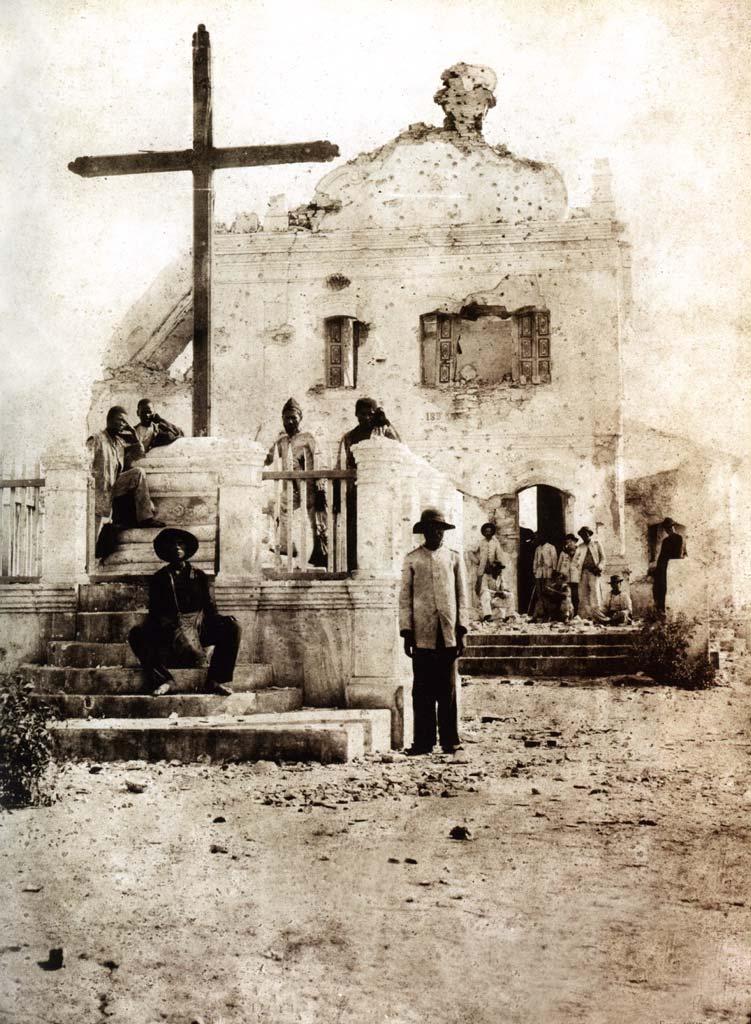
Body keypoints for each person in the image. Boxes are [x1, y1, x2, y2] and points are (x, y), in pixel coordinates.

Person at [128, 528, 241, 696]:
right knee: (136, 634)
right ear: (166, 550)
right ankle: (164, 680)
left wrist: (211, 626)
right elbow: (154, 613)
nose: (177, 548)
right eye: (172, 544)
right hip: (170, 630)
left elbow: (210, 609)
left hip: (198, 628)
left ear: (187, 549)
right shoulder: (160, 577)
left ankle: (215, 680)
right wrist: (168, 626)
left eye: (180, 544)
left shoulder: (199, 576)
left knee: (232, 626)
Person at [399, 507, 468, 756]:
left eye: (439, 530)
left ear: (444, 532)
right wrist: (406, 632)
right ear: (424, 532)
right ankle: (423, 742)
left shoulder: (454, 558)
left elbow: (462, 596)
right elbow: (405, 598)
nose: (436, 534)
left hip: (448, 632)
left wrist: (462, 631)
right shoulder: (412, 559)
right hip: (422, 634)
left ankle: (450, 740)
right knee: (422, 690)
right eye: (431, 530)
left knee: (447, 689)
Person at [337, 397, 400, 569]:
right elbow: (340, 466)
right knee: (354, 532)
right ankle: (353, 567)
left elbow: (400, 447)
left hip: (378, 491)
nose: (366, 418)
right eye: (362, 414)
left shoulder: (382, 432)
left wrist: (385, 421)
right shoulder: (348, 437)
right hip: (354, 492)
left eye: (370, 414)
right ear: (356, 414)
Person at [265, 398, 328, 567]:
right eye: (287, 418)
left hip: (307, 490)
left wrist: (321, 489)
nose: (290, 421)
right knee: (287, 525)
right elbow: (268, 459)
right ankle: (293, 560)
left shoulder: (308, 438)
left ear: (300, 418)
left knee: (309, 524)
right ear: (282, 419)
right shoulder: (282, 442)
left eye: (294, 417)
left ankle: (315, 559)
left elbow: (319, 462)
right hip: (288, 491)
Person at [87, 406, 164, 530]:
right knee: (92, 540)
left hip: (112, 489)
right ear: (109, 420)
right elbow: (85, 465)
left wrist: (133, 433)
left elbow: (140, 454)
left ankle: (146, 518)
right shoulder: (97, 439)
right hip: (97, 494)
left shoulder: (119, 443)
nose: (124, 424)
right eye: (120, 420)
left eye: (125, 421)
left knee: (138, 473)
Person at [652, 517, 687, 614]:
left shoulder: (678, 538)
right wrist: (658, 568)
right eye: (667, 529)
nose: (669, 530)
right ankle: (661, 608)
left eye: (670, 528)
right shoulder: (666, 540)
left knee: (665, 587)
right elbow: (662, 556)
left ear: (673, 527)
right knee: (661, 586)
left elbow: (678, 555)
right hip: (666, 566)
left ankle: (663, 608)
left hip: (671, 566)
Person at [472, 522, 505, 622]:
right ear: (484, 533)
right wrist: (477, 561)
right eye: (486, 532)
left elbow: (499, 555)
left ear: (492, 532)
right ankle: (485, 613)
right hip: (482, 569)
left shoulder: (495, 543)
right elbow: (470, 552)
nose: (488, 533)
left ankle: (495, 613)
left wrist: (498, 565)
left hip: (493, 569)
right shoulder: (480, 542)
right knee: (481, 590)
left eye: (490, 531)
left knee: (494, 590)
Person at [574, 526, 606, 620]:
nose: (584, 536)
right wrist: (579, 567)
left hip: (594, 572)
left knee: (595, 593)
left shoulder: (596, 544)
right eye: (582, 535)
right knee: (583, 594)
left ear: (589, 534)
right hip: (583, 572)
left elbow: (603, 558)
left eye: (586, 534)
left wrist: (599, 567)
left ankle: (597, 616)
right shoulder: (580, 547)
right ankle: (586, 616)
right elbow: (575, 561)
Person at [530, 533, 558, 619]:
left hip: (548, 572)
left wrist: (554, 570)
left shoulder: (551, 547)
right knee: (539, 592)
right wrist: (534, 571)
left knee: (548, 592)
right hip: (539, 572)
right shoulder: (538, 548)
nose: (538, 539)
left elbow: (554, 559)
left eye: (539, 537)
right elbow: (535, 560)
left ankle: (550, 613)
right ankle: (541, 612)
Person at [556, 534, 580, 614]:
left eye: (570, 542)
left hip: (576, 578)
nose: (568, 544)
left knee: (576, 596)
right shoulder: (563, 553)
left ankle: (576, 613)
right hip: (565, 578)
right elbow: (559, 566)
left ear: (574, 542)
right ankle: (566, 614)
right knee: (566, 596)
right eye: (567, 542)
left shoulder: (579, 551)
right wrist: (559, 574)